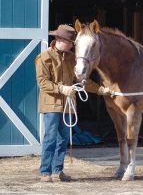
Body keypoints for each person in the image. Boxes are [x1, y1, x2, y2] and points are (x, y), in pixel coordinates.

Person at [35, 24, 110, 182]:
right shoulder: (44, 58)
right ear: (60, 40)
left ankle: (58, 171)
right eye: (70, 43)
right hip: (51, 104)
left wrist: (100, 90)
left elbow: (82, 80)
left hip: (68, 105)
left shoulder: (71, 58)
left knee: (63, 139)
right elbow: (43, 83)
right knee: (50, 137)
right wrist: (62, 89)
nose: (72, 45)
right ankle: (45, 172)